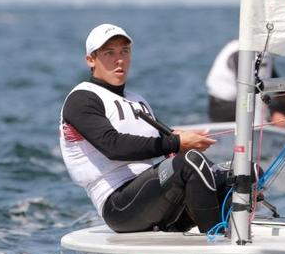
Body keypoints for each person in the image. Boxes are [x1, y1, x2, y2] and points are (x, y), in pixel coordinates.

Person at [60, 23, 232, 234]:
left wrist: (181, 140)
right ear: (91, 60)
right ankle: (215, 244)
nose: (119, 59)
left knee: (240, 172)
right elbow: (113, 146)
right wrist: (177, 143)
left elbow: (165, 141)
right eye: (109, 53)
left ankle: (236, 240)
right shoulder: (82, 98)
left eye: (124, 51)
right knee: (190, 162)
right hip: (118, 204)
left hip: (155, 198)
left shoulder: (137, 101)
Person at [205, 39, 285, 128]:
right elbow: (247, 89)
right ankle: (273, 124)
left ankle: (275, 129)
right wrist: (271, 114)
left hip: (242, 104)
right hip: (222, 109)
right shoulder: (242, 53)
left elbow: (274, 81)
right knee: (275, 105)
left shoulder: (263, 52)